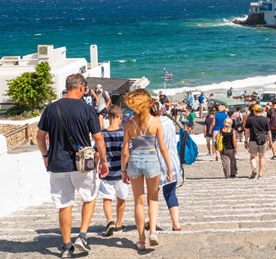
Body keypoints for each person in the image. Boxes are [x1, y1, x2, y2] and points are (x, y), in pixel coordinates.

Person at [36, 74, 109, 258]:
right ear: (81, 87)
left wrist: (45, 155)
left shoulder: (51, 108)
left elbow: (40, 136)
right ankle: (82, 236)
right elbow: (98, 138)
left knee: (64, 204)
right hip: (83, 164)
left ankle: (67, 246)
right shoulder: (87, 109)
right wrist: (104, 161)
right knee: (89, 197)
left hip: (57, 164)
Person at [121, 88, 173, 251]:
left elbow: (124, 150)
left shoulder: (129, 123)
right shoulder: (156, 121)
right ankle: (152, 232)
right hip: (152, 159)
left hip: (135, 160)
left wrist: (123, 170)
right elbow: (163, 148)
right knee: (153, 198)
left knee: (138, 201)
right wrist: (169, 169)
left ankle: (141, 240)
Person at [95, 106, 128, 237]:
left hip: (106, 171)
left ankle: (110, 221)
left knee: (107, 199)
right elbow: (126, 153)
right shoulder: (123, 133)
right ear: (120, 117)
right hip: (121, 172)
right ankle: (119, 224)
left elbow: (97, 153)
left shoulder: (102, 134)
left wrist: (96, 166)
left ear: (108, 117)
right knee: (121, 199)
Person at [155, 108, 183, 231]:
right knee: (171, 193)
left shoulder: (153, 124)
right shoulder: (168, 121)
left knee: (153, 196)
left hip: (157, 162)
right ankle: (176, 223)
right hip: (173, 161)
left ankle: (152, 222)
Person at [244, 104, 272, 179]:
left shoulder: (250, 119)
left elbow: (247, 131)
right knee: (262, 157)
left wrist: (245, 141)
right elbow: (269, 132)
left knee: (253, 157)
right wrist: (270, 142)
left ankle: (254, 169)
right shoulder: (265, 119)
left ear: (254, 110)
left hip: (253, 140)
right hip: (263, 140)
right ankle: (260, 174)